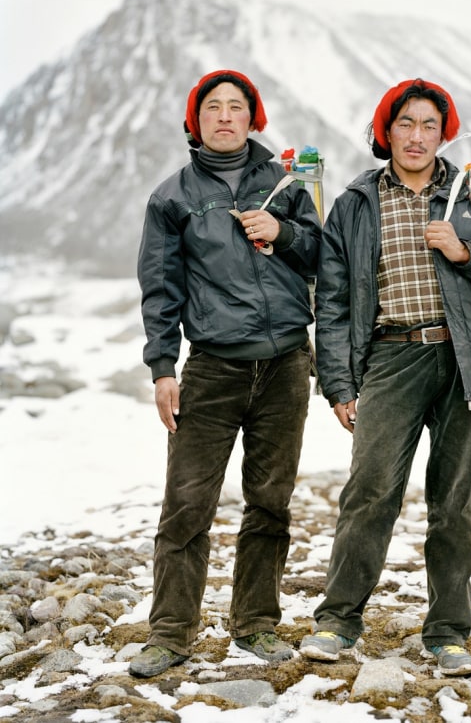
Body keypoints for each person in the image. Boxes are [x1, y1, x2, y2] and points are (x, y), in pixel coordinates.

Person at [299, 78, 471, 675]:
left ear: (443, 132)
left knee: (453, 502)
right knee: (369, 493)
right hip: (389, 359)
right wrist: (338, 384)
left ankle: (449, 632)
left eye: (430, 125)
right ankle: (337, 622)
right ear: (387, 130)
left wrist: (466, 252)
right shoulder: (355, 203)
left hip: (463, 359)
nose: (418, 136)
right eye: (406, 123)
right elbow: (332, 304)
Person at [131, 69, 321, 678]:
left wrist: (284, 231)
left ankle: (257, 624)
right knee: (186, 503)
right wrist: (164, 368)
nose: (224, 116)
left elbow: (324, 252)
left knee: (271, 502)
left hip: (288, 364)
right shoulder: (172, 197)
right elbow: (160, 289)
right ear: (196, 120)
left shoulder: (287, 182)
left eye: (236, 107)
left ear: (252, 118)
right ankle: (170, 633)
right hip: (212, 368)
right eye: (212, 107)